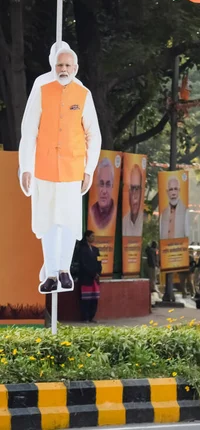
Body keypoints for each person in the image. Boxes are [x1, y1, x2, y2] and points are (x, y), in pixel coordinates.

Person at [18, 42, 102, 294]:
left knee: (67, 223)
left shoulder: (83, 95)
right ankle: (52, 273)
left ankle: (64, 270)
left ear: (75, 68)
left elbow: (93, 135)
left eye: (67, 65)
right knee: (47, 222)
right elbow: (29, 131)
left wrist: (89, 169)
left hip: (72, 170)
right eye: (60, 65)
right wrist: (25, 167)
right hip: (43, 168)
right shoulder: (42, 91)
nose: (63, 69)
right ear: (53, 67)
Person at [76, 230, 102, 323]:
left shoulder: (96, 250)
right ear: (87, 237)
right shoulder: (82, 249)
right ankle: (85, 317)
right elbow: (83, 264)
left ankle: (92, 316)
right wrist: (92, 273)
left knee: (94, 299)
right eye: (91, 236)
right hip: (86, 278)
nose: (93, 238)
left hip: (95, 279)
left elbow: (99, 261)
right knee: (85, 299)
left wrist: (98, 273)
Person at [90, 157, 116, 230]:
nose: (104, 191)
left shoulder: (114, 212)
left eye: (108, 184)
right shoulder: (92, 211)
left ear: (112, 186)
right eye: (101, 184)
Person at [122, 164, 144, 237]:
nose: (135, 195)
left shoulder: (144, 220)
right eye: (132, 188)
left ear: (141, 191)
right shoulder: (124, 222)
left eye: (137, 189)